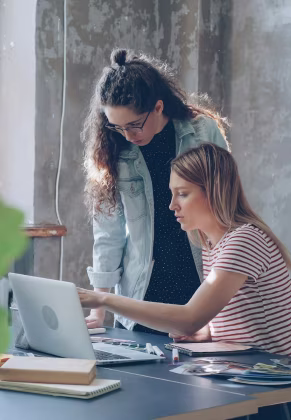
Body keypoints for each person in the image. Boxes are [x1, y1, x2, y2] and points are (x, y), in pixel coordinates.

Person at [78, 143, 291, 357]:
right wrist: (211, 332)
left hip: (281, 377)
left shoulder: (245, 240)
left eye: (183, 194)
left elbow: (189, 319)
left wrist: (103, 299)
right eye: (173, 194)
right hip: (250, 369)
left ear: (214, 192)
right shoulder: (210, 244)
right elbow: (245, 316)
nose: (172, 205)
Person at [82, 48, 229, 333]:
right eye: (117, 127)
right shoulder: (113, 149)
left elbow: (227, 209)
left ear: (158, 107)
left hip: (199, 282)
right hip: (142, 294)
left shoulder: (202, 132)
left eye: (134, 125)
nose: (127, 135)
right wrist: (99, 309)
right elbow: (108, 232)